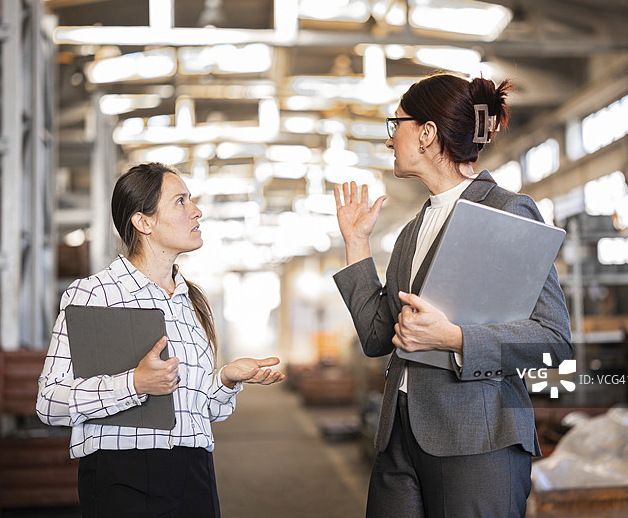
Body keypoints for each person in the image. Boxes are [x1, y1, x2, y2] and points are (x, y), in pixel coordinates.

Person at [332, 73, 572, 518]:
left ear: (426, 133)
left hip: (475, 439)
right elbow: (377, 338)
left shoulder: (505, 210)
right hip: (398, 438)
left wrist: (456, 338)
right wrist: (356, 244)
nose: (389, 141)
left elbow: (554, 337)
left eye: (395, 124)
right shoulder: (410, 233)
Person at [37, 162, 285, 518]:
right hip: (125, 478)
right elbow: (49, 403)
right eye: (181, 201)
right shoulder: (95, 294)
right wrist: (134, 384)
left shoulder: (190, 300)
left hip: (195, 475)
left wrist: (226, 380)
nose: (196, 211)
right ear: (144, 222)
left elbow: (201, 410)